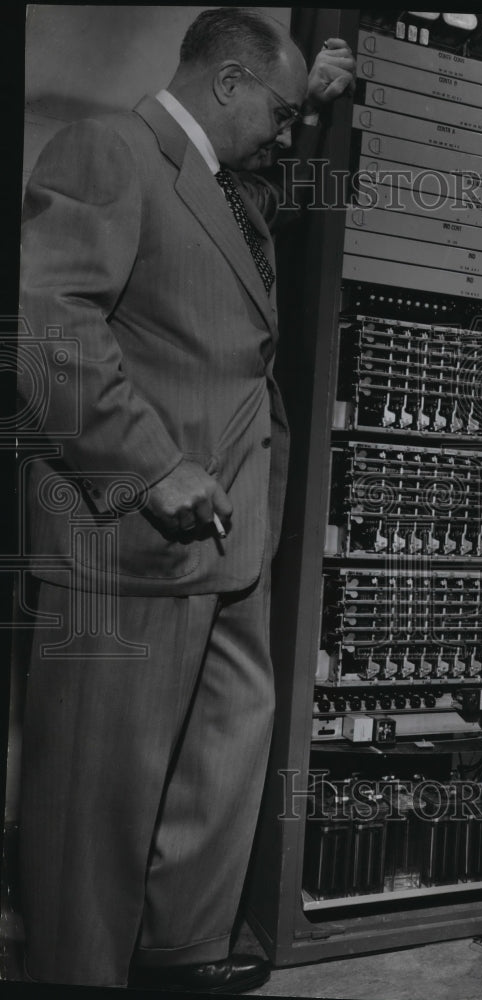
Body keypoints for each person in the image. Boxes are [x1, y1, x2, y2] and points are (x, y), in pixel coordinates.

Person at [17, 8, 353, 992]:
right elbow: (43, 320)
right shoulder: (109, 150)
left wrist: (321, 110)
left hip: (233, 527)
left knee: (224, 744)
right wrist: (147, 461)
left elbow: (252, 221)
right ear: (227, 84)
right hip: (131, 525)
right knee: (98, 784)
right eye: (281, 111)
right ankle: (78, 972)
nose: (284, 130)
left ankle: (179, 947)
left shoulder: (223, 182)